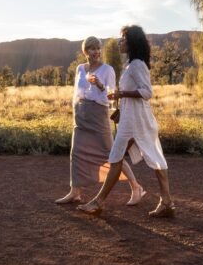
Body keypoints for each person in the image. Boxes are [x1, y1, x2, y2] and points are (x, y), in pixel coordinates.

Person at [78, 25, 175, 218]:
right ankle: (167, 202)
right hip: (133, 118)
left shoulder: (137, 64)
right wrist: (119, 101)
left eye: (123, 39)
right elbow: (134, 94)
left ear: (131, 42)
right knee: (145, 157)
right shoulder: (133, 64)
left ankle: (98, 202)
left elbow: (147, 92)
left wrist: (122, 93)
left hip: (136, 121)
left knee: (119, 158)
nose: (120, 42)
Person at [55, 36, 146, 206]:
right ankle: (75, 192)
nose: (96, 51)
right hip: (81, 114)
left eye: (98, 48)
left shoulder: (107, 70)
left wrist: (100, 85)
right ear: (85, 52)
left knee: (111, 154)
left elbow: (111, 97)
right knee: (76, 153)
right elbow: (77, 91)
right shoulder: (80, 69)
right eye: (92, 49)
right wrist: (75, 108)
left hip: (98, 114)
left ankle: (136, 186)